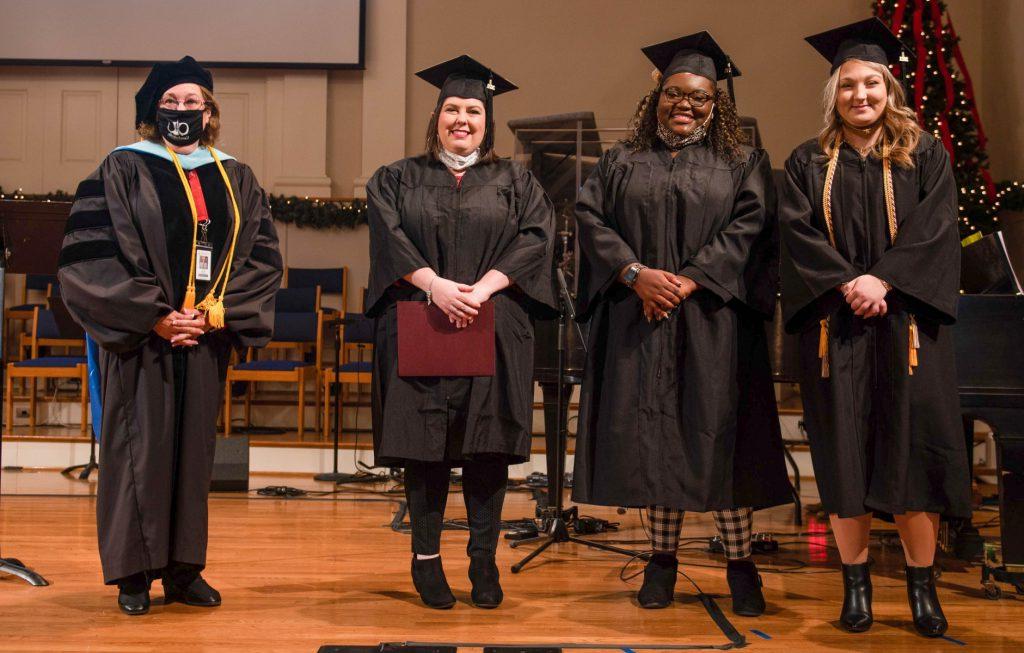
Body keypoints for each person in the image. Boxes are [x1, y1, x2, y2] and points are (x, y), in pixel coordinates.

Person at [572, 33, 792, 617]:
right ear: (657, 97)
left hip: (714, 322)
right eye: (674, 94)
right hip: (639, 320)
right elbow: (590, 218)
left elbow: (751, 228)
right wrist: (635, 273)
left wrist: (689, 279)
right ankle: (660, 562)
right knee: (657, 443)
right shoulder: (622, 162)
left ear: (715, 104)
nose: (685, 105)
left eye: (698, 97)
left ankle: (741, 566)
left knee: (722, 441)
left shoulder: (742, 162)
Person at [58, 56, 282, 615]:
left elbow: (261, 259)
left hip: (204, 337)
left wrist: (214, 314)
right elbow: (91, 258)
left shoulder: (236, 177)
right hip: (140, 338)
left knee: (192, 455)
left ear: (211, 112)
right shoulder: (121, 169)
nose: (183, 111)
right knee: (139, 452)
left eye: (194, 103)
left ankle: (183, 571)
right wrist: (154, 315)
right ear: (152, 110)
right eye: (172, 102)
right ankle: (134, 575)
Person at [779, 18, 971, 637]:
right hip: (837, 331)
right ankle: (855, 586)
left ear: (889, 89)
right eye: (847, 87)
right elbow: (797, 235)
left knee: (916, 453)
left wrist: (882, 281)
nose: (860, 96)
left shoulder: (927, 153)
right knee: (843, 457)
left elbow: (937, 230)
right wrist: (847, 283)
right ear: (833, 94)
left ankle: (923, 588)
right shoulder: (808, 160)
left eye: (871, 85)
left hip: (908, 327)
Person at [365, 55, 555, 610]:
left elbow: (537, 238)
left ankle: (482, 560)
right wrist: (436, 286)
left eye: (473, 110)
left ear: (487, 122)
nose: (462, 119)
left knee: (486, 448)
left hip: (491, 325)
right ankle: (425, 561)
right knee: (425, 451)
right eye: (452, 108)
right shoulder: (397, 177)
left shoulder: (516, 180)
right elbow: (387, 238)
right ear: (437, 116)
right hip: (421, 322)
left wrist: (482, 288)